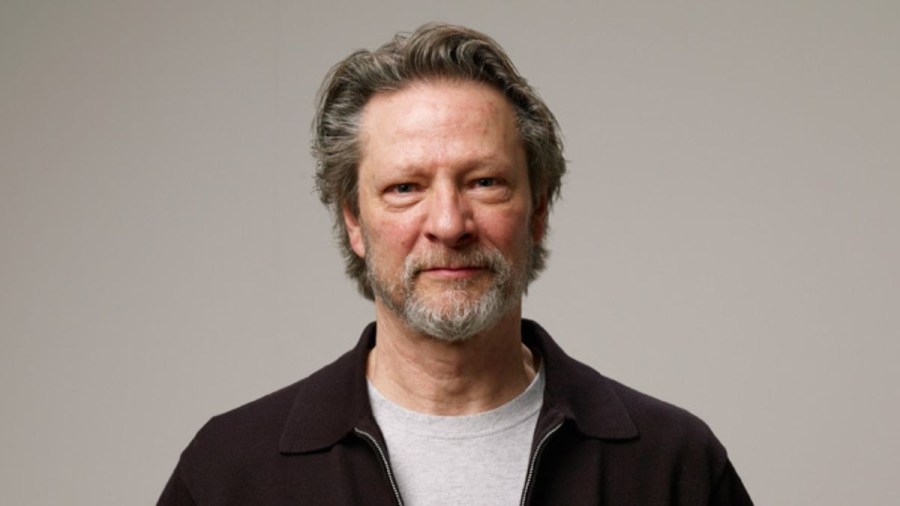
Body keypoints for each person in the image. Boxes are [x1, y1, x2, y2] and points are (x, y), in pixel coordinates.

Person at [158, 23, 753, 505]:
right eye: (405, 188)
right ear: (354, 222)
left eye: (485, 181)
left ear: (538, 211)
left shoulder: (674, 467)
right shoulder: (230, 472)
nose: (448, 223)